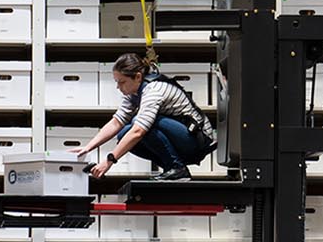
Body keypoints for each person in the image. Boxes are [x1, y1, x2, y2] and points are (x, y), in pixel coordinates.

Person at [74, 53, 216, 181]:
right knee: (123, 134)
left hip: (198, 140)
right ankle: (172, 168)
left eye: (121, 82)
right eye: (116, 82)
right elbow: (116, 123)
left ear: (137, 76)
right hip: (183, 138)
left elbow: (138, 131)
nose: (118, 87)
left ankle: (177, 168)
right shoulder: (133, 93)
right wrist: (88, 147)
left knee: (139, 124)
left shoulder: (153, 90)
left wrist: (109, 160)